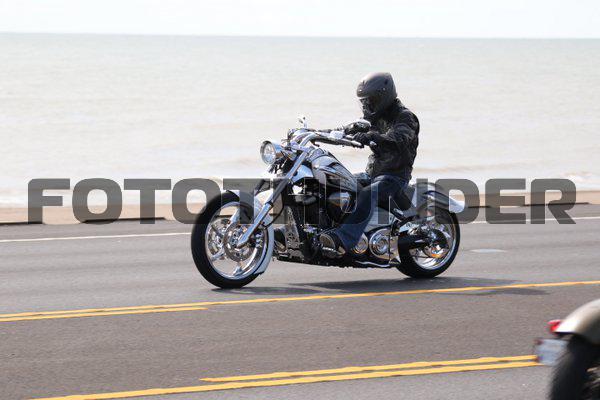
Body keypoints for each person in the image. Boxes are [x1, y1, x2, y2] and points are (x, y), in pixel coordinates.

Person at [319, 72, 420, 257]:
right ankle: (321, 234)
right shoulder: (374, 117)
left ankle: (344, 239)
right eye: (364, 101)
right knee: (334, 184)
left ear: (384, 96)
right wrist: (316, 133)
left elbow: (398, 139)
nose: (367, 105)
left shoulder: (406, 117)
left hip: (395, 176)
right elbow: (344, 131)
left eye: (371, 100)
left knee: (368, 193)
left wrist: (371, 136)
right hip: (373, 174)